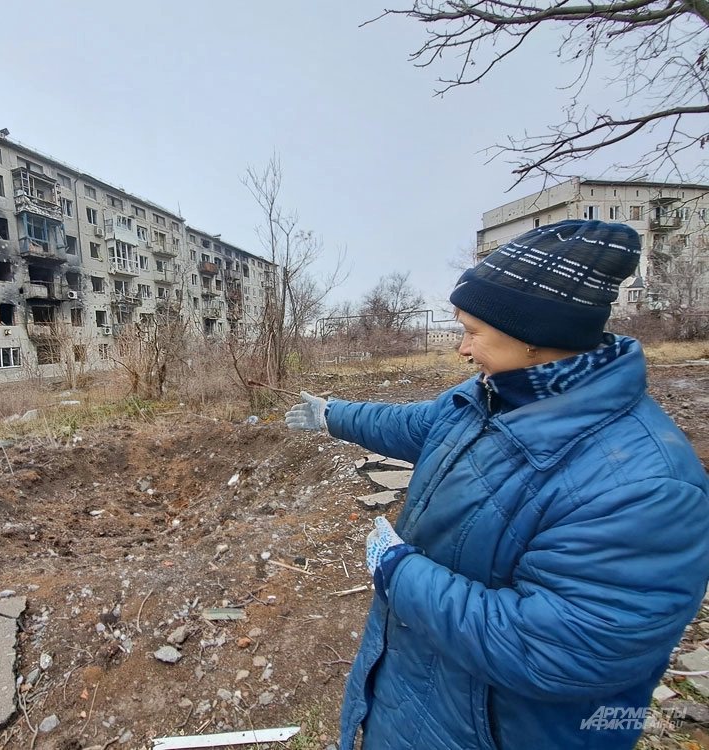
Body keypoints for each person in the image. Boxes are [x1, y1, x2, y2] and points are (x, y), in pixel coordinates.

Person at [286, 220, 709, 750]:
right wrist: (332, 414)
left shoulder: (645, 488)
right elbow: (415, 426)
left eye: (473, 331)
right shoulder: (491, 394)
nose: (462, 349)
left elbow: (558, 651)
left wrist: (401, 573)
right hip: (421, 693)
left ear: (535, 335)